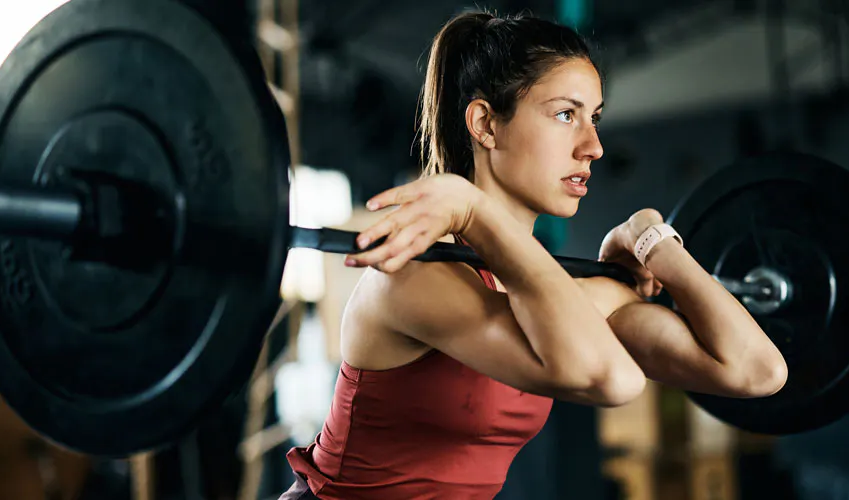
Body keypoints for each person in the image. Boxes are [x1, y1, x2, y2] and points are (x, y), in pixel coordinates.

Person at [279, 10, 787, 500]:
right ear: (485, 124)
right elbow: (612, 376)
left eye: (595, 118)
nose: (593, 146)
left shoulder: (562, 297)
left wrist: (654, 241)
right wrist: (476, 214)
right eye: (565, 114)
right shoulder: (412, 280)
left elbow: (756, 371)